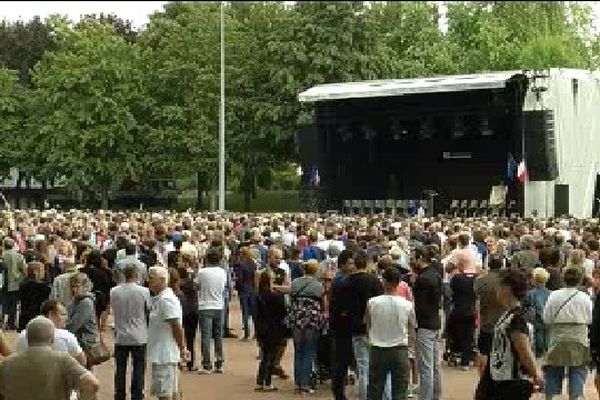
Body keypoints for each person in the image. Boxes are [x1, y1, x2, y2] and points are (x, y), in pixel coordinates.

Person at [476, 269, 543, 400]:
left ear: (507, 288)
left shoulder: (516, 318)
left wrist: (536, 374)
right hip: (499, 375)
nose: (496, 290)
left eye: (499, 286)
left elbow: (524, 350)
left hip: (508, 380)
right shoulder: (509, 314)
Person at [0, 316, 99, 400]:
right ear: (52, 339)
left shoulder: (7, 364)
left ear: (27, 338)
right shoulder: (63, 360)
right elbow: (92, 383)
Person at [542, 266, 593, 400]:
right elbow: (589, 318)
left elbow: (546, 317)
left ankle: (549, 396)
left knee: (553, 368)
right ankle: (574, 397)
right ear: (580, 280)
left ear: (563, 279)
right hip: (579, 335)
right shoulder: (584, 297)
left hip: (558, 335)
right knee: (577, 368)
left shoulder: (554, 295)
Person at [366, 267, 416, 400]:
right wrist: (410, 349)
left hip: (378, 349)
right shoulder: (407, 305)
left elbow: (368, 325)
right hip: (399, 349)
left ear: (383, 281)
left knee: (375, 389)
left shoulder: (372, 302)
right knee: (400, 391)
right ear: (398, 282)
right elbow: (411, 330)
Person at [347, 250, 384, 400]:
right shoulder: (374, 281)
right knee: (376, 366)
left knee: (363, 366)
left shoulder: (347, 281)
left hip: (356, 327)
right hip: (374, 327)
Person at [110, 265, 151, 400]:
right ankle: (137, 394)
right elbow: (148, 309)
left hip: (121, 335)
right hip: (139, 334)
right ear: (137, 275)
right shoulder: (144, 291)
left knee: (120, 368)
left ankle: (119, 395)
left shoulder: (114, 291)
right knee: (138, 367)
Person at [147, 266, 186, 400]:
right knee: (170, 391)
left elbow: (176, 326)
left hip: (164, 353)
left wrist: (182, 348)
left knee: (165, 392)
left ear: (163, 280)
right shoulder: (160, 298)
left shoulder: (166, 299)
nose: (149, 281)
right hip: (162, 352)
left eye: (152, 279)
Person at [287, 259, 325, 394]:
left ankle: (298, 383)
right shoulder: (318, 285)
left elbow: (290, 299)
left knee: (298, 351)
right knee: (309, 351)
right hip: (312, 321)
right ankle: (305, 383)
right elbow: (322, 303)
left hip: (297, 320)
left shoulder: (295, 283)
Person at [412, 245, 443, 400]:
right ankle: (436, 394)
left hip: (425, 324)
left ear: (420, 258)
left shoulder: (422, 279)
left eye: (414, 258)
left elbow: (420, 306)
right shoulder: (435, 274)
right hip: (435, 322)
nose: (412, 260)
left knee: (425, 366)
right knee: (434, 365)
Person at [16, 299, 86, 366]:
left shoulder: (23, 335)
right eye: (63, 314)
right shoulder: (66, 336)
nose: (67, 318)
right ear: (50, 314)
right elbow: (82, 360)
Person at [195, 246, 227, 374]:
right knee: (218, 336)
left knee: (206, 336)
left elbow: (197, 285)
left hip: (205, 306)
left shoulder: (202, 272)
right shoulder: (222, 272)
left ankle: (207, 364)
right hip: (219, 305)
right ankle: (219, 363)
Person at [254, 271, 287, 392]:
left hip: (262, 328)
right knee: (271, 357)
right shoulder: (276, 297)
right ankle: (267, 382)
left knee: (264, 357)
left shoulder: (258, 296)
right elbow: (283, 312)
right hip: (274, 328)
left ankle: (259, 382)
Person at [330, 249, 356, 400]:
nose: (353, 266)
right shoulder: (342, 280)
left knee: (342, 361)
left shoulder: (342, 278)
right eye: (350, 263)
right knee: (341, 361)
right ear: (343, 264)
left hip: (339, 324)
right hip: (341, 325)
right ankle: (338, 393)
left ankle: (339, 391)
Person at [65, 272, 100, 370]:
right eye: (72, 286)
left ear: (84, 287)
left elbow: (74, 325)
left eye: (77, 286)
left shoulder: (85, 303)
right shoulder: (74, 301)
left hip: (85, 343)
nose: (73, 290)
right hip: (77, 341)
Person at [523, 267, 551, 359]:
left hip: (536, 320)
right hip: (548, 319)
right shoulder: (551, 293)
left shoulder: (530, 294)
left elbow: (525, 306)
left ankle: (539, 353)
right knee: (547, 336)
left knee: (538, 336)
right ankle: (546, 352)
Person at [178, 261, 200, 371]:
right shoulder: (192, 284)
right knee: (191, 339)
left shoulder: (176, 288)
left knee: (178, 338)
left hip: (181, 313)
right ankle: (190, 362)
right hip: (193, 312)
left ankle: (180, 360)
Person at [18, 261, 51, 331]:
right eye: (42, 270)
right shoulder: (44, 287)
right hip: (38, 318)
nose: (44, 272)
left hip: (24, 318)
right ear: (36, 271)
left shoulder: (23, 285)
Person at [234, 246, 258, 341]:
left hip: (244, 290)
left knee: (245, 312)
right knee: (254, 312)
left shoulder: (240, 264)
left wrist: (237, 286)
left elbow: (239, 278)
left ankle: (247, 333)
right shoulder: (253, 263)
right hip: (252, 289)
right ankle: (256, 332)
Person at [2, 238, 26, 330]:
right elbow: (24, 269)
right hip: (15, 283)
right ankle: (11, 323)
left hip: (3, 283)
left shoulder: (2, 255)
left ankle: (2, 322)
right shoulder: (19, 256)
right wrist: (20, 278)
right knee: (14, 304)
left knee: (3, 303)